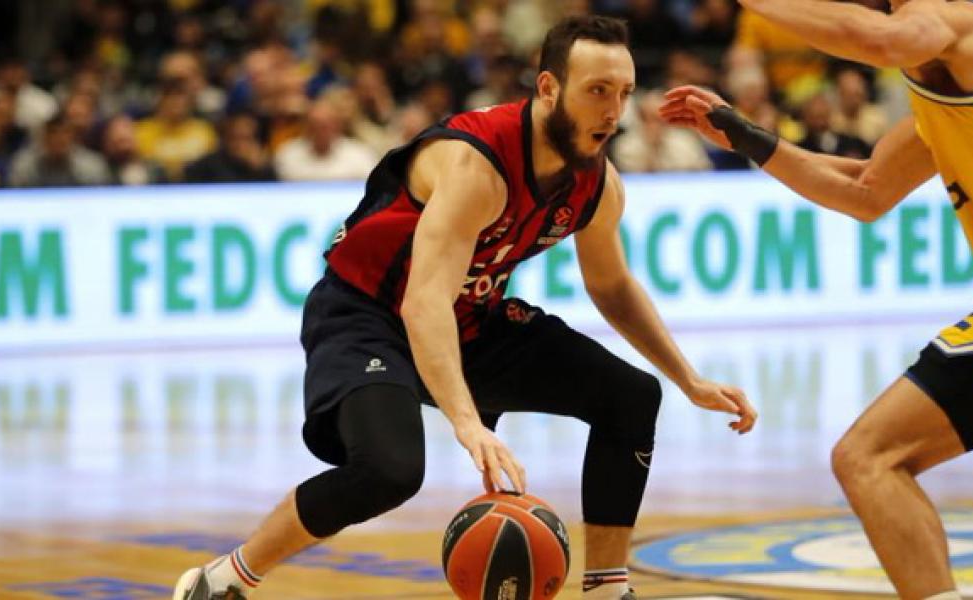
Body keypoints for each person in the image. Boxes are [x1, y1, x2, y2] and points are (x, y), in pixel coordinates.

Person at [174, 15, 756, 600]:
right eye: (597, 91)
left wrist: (688, 378)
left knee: (632, 396)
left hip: (469, 316)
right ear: (548, 88)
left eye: (624, 93)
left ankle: (607, 590)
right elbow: (422, 301)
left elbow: (611, 286)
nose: (613, 112)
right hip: (368, 313)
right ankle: (224, 580)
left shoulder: (598, 184)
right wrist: (466, 421)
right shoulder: (477, 164)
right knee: (388, 471)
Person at [660, 0, 973, 597]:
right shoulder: (961, 77)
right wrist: (745, 136)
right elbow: (865, 190)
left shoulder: (953, 19)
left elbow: (882, 41)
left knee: (868, 456)